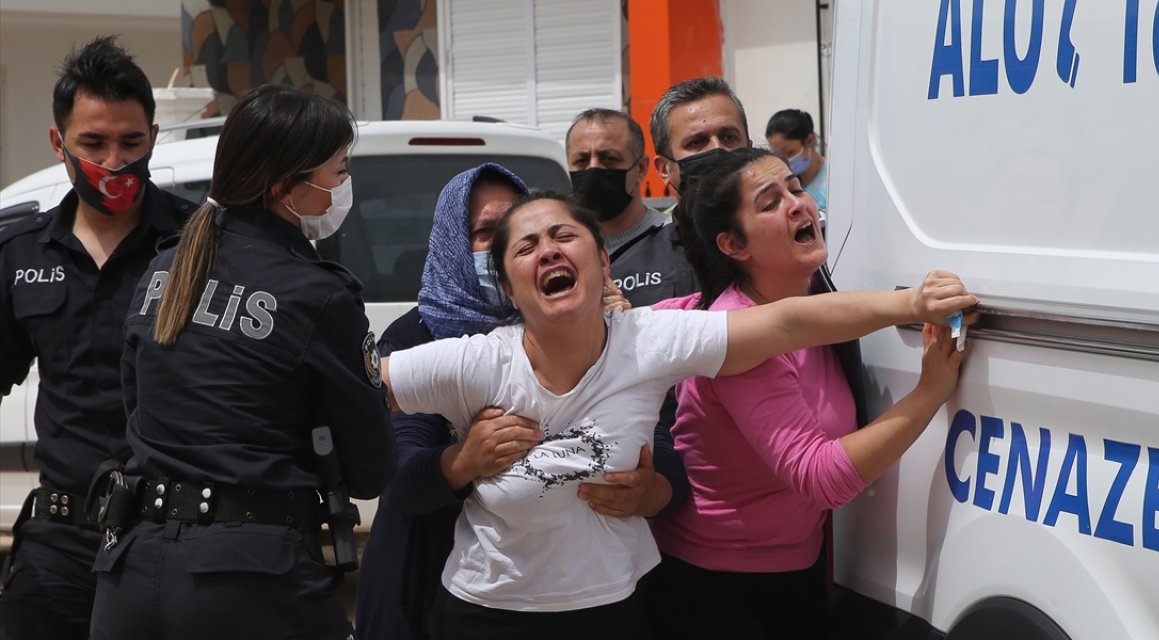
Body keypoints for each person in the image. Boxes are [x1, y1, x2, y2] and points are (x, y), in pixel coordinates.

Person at [381, 191, 977, 639]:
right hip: (483, 614)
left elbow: (787, 322)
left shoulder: (650, 340)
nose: (549, 252)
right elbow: (362, 390)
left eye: (564, 236)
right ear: (508, 288)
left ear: (603, 260)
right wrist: (456, 461)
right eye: (526, 247)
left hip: (613, 610)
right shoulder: (472, 362)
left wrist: (912, 303)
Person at [89, 84, 396, 639]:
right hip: (250, 579)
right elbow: (370, 467)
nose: (344, 186)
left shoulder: (163, 270)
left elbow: (135, 411)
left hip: (132, 570)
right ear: (285, 188)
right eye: (338, 170)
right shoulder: (316, 293)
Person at [647, 147, 970, 639]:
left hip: (796, 570)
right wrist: (929, 391)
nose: (797, 204)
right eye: (769, 201)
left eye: (795, 189)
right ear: (733, 245)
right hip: (715, 589)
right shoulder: (737, 337)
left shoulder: (818, 299)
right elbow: (821, 478)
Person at [356, 163, 685, 639]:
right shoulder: (418, 336)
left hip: (583, 592)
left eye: (515, 224)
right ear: (453, 242)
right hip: (443, 580)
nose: (508, 241)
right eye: (485, 231)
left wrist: (655, 489)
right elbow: (398, 476)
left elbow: (664, 439)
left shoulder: (595, 326)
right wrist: (462, 460)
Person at [0, 36, 196, 640]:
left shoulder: (200, 245)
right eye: (94, 143)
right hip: (59, 545)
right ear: (59, 144)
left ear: (154, 139)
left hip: (178, 541)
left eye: (131, 143)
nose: (114, 161)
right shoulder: (20, 254)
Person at [566, 108, 695, 306]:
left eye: (609, 158)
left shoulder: (679, 241)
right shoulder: (560, 252)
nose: (593, 169)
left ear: (641, 168)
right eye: (581, 160)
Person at [766, 108, 828, 211]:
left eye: (790, 152)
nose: (786, 161)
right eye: (779, 156)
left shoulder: (834, 178)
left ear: (809, 140)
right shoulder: (787, 185)